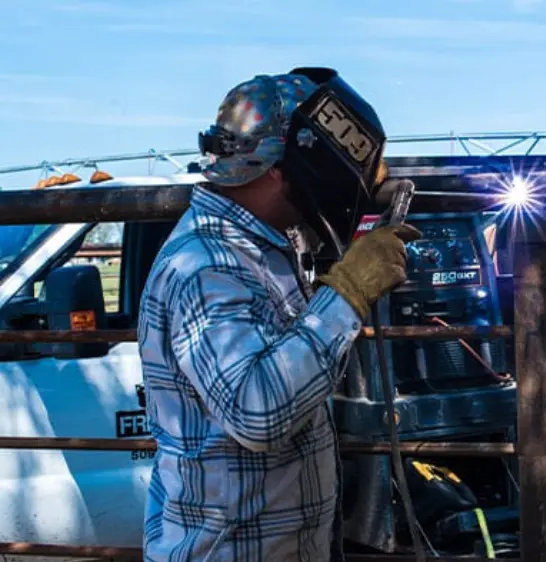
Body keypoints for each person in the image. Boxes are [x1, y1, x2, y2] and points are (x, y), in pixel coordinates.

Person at [137, 73, 420, 562]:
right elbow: (258, 412)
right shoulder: (207, 265)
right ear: (292, 167)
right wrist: (347, 294)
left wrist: (366, 173)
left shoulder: (262, 244)